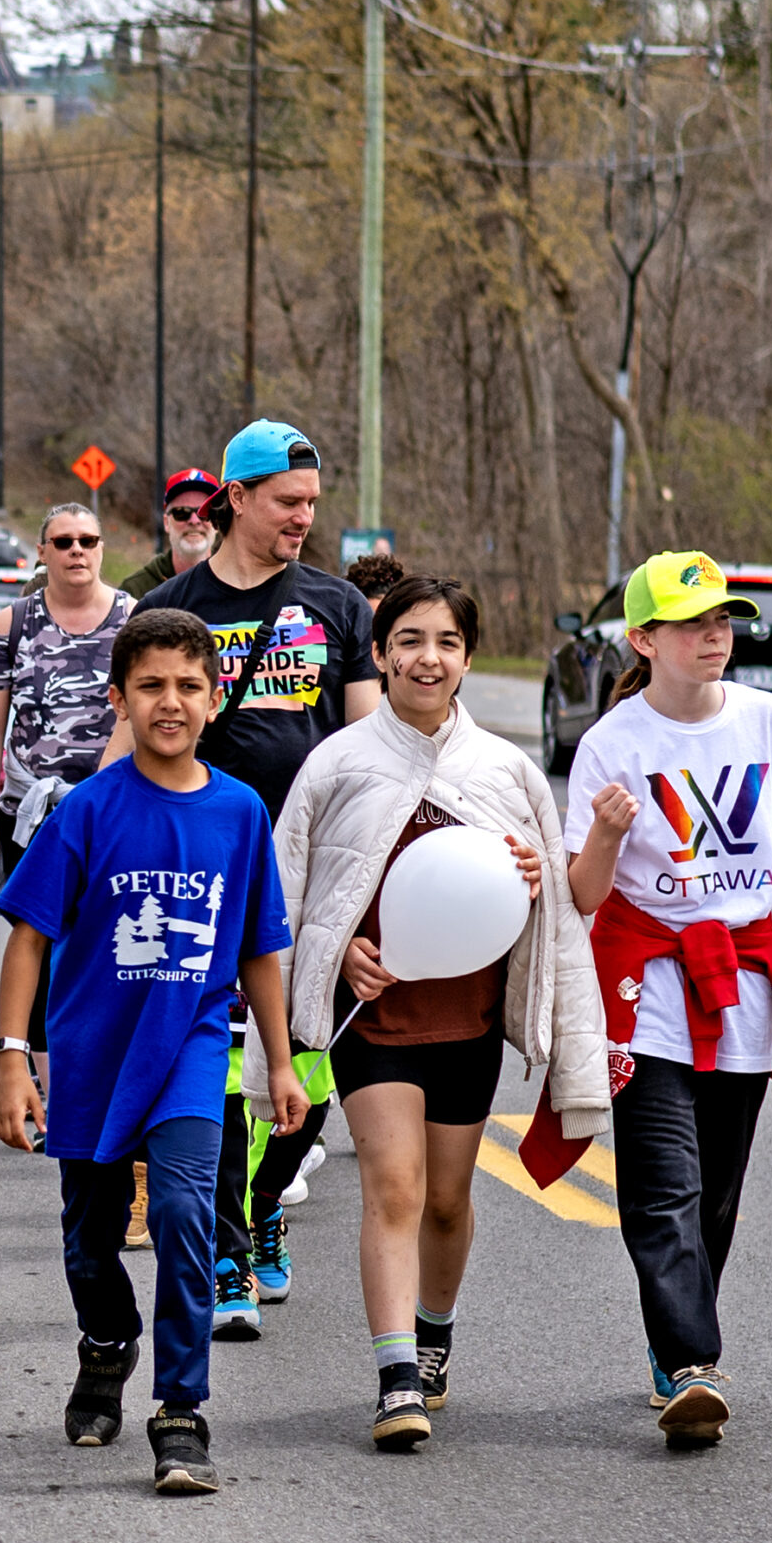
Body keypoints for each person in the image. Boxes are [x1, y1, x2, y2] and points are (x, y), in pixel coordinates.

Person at [256, 575, 605, 1447]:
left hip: (471, 1020)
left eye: (446, 641)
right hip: (372, 1020)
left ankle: (435, 1332)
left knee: (449, 1200)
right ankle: (395, 1376)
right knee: (396, 1186)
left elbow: (558, 908)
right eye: (408, 639)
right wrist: (336, 960)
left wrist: (532, 880)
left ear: (468, 658)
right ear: (378, 654)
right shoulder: (336, 762)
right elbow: (289, 893)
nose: (427, 657)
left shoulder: (507, 769)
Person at [0, 608, 305, 1496]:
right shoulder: (88, 810)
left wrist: (277, 1061)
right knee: (90, 1242)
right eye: (152, 686)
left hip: (193, 1050)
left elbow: (258, 948)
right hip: (91, 1053)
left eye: (189, 686)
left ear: (213, 699)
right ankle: (105, 1343)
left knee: (181, 1214)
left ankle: (180, 1409)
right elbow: (27, 938)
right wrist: (14, 1056)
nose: (171, 702)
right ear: (119, 698)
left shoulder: (240, 813)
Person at [126, 421, 379, 1337]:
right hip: (204, 861)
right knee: (221, 1062)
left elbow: (366, 748)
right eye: (287, 502)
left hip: (313, 867)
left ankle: (267, 1197)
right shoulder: (176, 608)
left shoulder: (338, 605)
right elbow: (138, 733)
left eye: (312, 503)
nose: (304, 519)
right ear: (236, 497)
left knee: (311, 1054)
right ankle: (229, 1248)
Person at [562, 548, 772, 1448]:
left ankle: (674, 1342)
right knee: (663, 1186)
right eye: (695, 623)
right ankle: (693, 1359)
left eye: (723, 620)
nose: (718, 636)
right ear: (645, 638)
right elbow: (585, 894)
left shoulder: (770, 722)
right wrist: (601, 831)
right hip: (651, 988)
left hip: (743, 986)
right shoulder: (613, 742)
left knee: (716, 1192)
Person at [0, 504, 135, 1136]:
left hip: (111, 811)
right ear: (42, 551)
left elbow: (136, 711)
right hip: (29, 813)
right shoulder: (13, 622)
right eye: (62, 541)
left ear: (101, 548)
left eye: (88, 540)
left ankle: (108, 1077)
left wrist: (101, 793)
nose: (76, 551)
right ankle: (55, 1088)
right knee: (36, 945)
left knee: (107, 946)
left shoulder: (131, 620)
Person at [115, 467, 219, 596]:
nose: (194, 521)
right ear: (166, 523)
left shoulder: (238, 583)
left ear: (217, 521)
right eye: (181, 512)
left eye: (204, 513)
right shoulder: (135, 591)